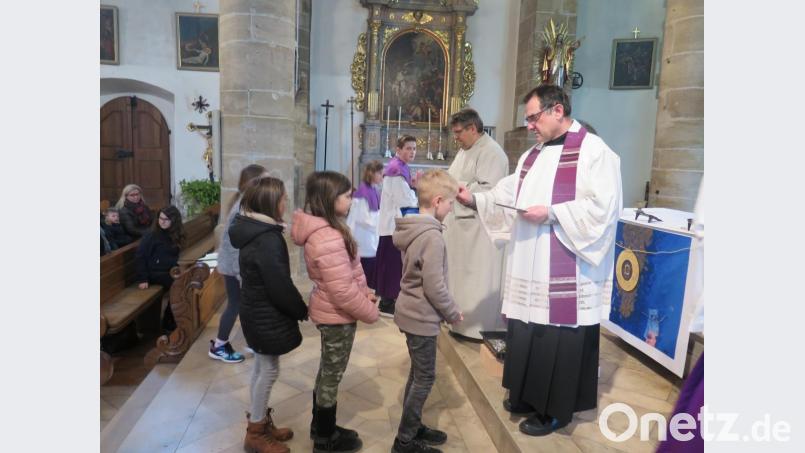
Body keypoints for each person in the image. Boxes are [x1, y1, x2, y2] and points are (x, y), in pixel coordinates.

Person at [456, 84, 623, 436]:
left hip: (567, 263)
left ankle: (556, 409)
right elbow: (507, 190)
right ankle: (528, 395)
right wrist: (473, 199)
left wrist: (551, 213)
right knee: (528, 329)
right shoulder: (533, 155)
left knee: (557, 337)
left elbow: (604, 208)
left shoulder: (594, 152)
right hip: (529, 262)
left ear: (557, 110)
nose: (529, 125)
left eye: (534, 117)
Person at [290, 171, 380, 453]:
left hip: (332, 312)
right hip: (336, 316)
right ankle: (325, 439)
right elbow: (341, 291)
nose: (351, 199)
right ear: (329, 200)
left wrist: (364, 292)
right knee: (331, 375)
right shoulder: (327, 236)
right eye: (346, 195)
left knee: (328, 371)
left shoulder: (330, 229)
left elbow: (350, 271)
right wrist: (370, 312)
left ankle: (322, 426)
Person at [229, 176, 307, 453]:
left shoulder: (251, 229)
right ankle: (256, 433)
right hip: (264, 312)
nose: (286, 203)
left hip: (255, 309)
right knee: (269, 370)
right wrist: (300, 309)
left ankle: (260, 420)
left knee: (262, 367)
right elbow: (279, 285)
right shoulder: (267, 238)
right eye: (283, 198)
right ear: (271, 202)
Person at [391, 170, 464, 453]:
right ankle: (405, 441)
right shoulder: (432, 237)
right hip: (421, 316)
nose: (451, 209)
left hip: (410, 311)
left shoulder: (413, 229)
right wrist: (452, 312)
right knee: (425, 378)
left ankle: (413, 425)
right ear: (437, 201)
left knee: (418, 374)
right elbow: (434, 286)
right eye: (450, 203)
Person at [443, 108, 509, 341]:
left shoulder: (492, 153)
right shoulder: (465, 150)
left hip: (479, 233)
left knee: (476, 281)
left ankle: (474, 327)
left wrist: (456, 187)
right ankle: (459, 322)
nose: (456, 137)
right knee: (459, 280)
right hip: (460, 229)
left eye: (459, 132)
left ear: (473, 128)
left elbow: (492, 193)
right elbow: (454, 180)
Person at [209, 164, 268, 363]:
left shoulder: (247, 204)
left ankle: (253, 340)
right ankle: (219, 345)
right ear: (253, 184)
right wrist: (241, 273)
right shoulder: (242, 208)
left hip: (235, 265)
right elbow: (233, 245)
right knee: (235, 305)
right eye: (264, 181)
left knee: (245, 304)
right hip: (233, 266)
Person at [376, 136, 421, 317]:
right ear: (399, 149)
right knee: (391, 265)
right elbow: (404, 200)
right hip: (392, 225)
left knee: (393, 264)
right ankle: (387, 303)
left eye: (414, 149)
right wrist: (418, 192)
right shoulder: (396, 170)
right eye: (408, 148)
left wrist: (413, 187)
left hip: (393, 224)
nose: (412, 152)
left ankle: (389, 300)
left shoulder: (400, 167)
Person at [135, 205, 185, 332]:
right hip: (153, 273)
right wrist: (143, 279)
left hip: (168, 270)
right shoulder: (152, 235)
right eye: (160, 218)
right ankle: (169, 323)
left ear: (174, 221)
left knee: (184, 282)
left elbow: (173, 255)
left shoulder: (175, 234)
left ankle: (172, 319)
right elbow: (140, 257)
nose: (162, 221)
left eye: (166, 219)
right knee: (179, 286)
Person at [345, 160, 384, 290]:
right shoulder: (363, 192)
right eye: (379, 172)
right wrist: (379, 220)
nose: (382, 175)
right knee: (365, 268)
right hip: (363, 236)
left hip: (371, 234)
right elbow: (362, 218)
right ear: (371, 173)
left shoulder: (373, 189)